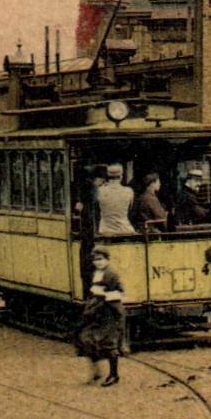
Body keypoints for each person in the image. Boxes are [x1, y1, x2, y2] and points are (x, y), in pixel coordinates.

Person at [76, 246, 125, 386]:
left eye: (100, 259)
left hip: (109, 312)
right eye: (95, 260)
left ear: (107, 259)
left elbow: (120, 293)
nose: (98, 262)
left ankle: (113, 375)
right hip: (97, 312)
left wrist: (103, 295)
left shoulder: (111, 274)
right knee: (87, 339)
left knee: (109, 344)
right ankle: (96, 372)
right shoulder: (96, 273)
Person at [95, 165, 135, 237]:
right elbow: (130, 209)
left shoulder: (99, 191)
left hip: (105, 231)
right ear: (121, 177)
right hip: (125, 230)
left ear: (107, 176)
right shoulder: (129, 191)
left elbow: (97, 210)